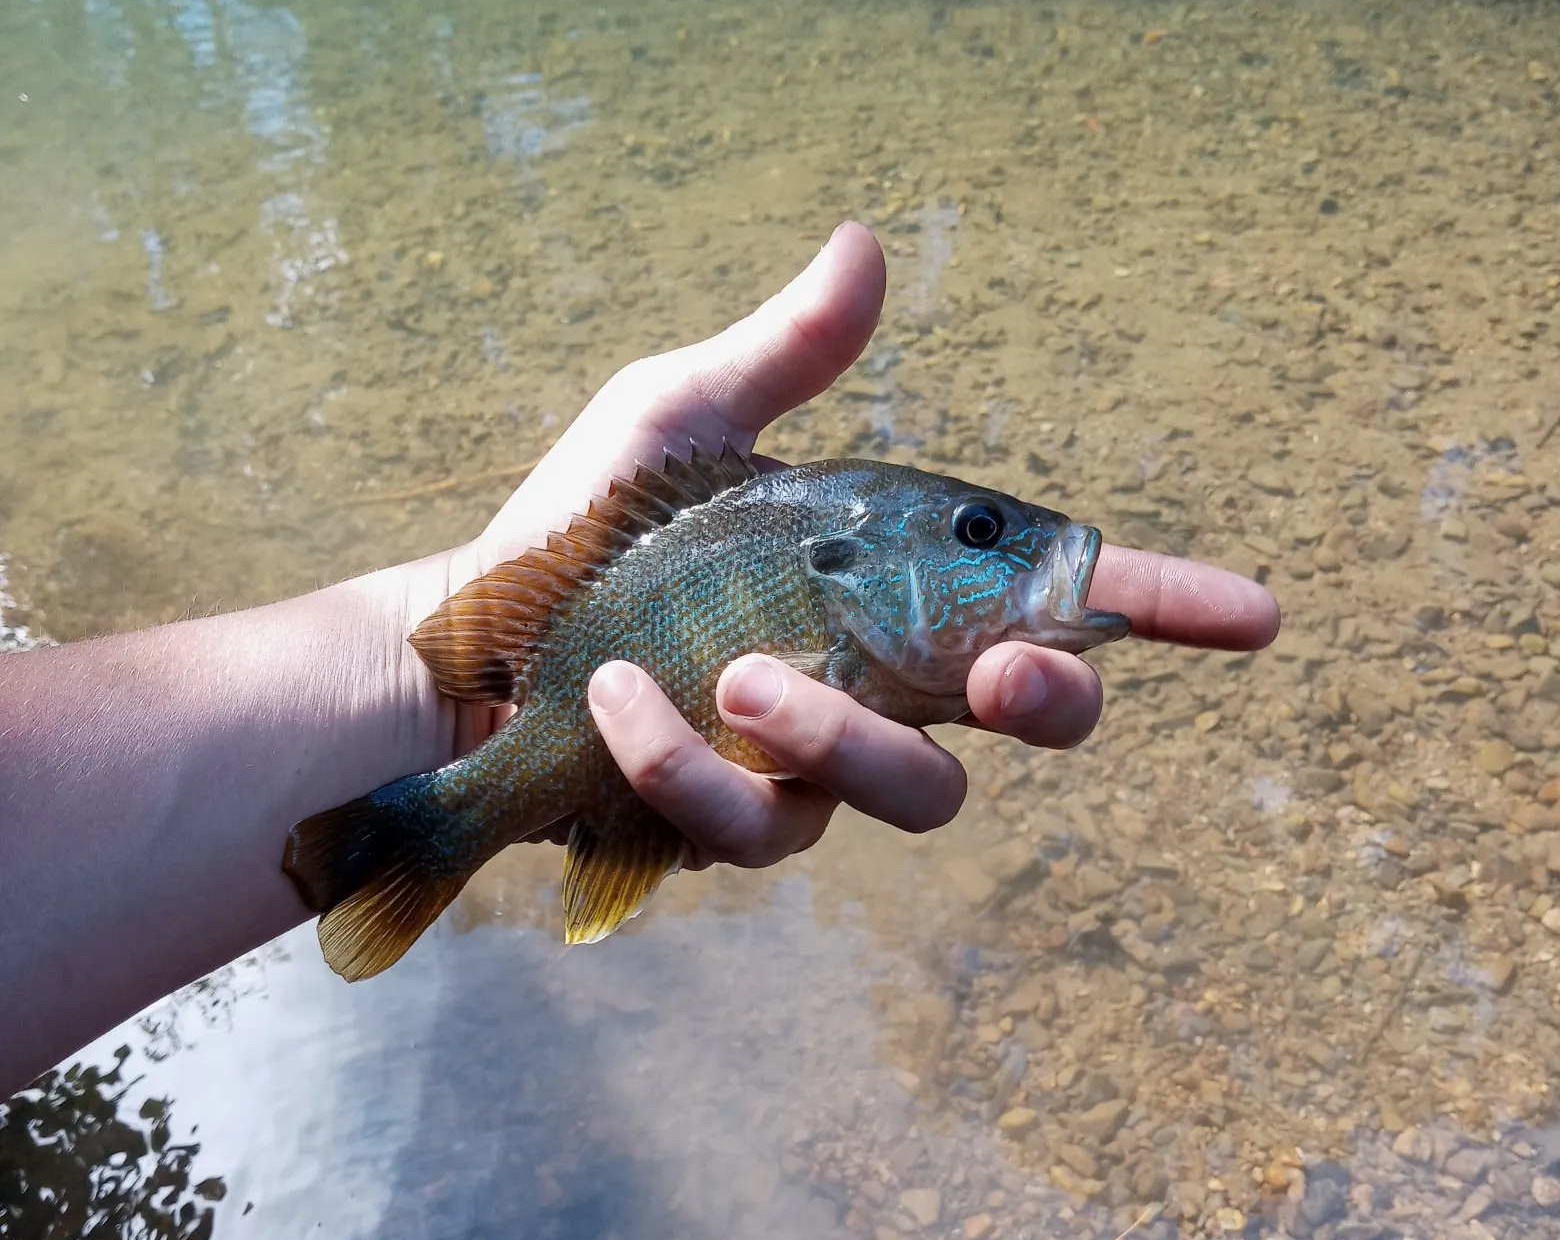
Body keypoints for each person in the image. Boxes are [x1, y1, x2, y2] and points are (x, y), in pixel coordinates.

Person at [0, 224, 1278, 1095]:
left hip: (533, 722)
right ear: (853, 570)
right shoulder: (804, 558)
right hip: (532, 715)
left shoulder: (860, 581)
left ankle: (442, 819)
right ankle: (436, 826)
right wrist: (462, 733)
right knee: (493, 804)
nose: (1015, 553)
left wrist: (426, 711)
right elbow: (487, 648)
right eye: (983, 536)